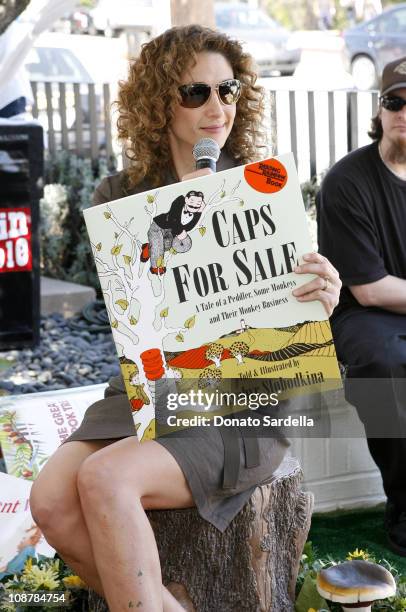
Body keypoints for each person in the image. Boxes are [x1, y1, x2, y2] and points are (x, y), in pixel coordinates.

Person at [30, 25, 341, 611]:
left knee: (105, 479)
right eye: (194, 93)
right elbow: (135, 316)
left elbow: (288, 314)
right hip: (154, 387)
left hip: (245, 397)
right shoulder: (121, 195)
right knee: (50, 498)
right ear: (158, 104)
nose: (216, 107)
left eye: (227, 90)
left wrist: (323, 294)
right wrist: (185, 225)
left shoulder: (260, 185)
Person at [317, 56, 406, 556]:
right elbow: (369, 289)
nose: (404, 112)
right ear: (380, 109)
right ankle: (403, 502)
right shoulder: (347, 180)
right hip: (364, 313)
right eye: (395, 101)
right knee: (384, 366)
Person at [141, 189, 206, 274]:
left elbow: (189, 227)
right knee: (157, 246)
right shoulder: (179, 202)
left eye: (198, 204)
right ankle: (156, 268)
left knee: (168, 245)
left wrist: (200, 211)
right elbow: (172, 218)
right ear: (186, 199)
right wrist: (181, 233)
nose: (194, 206)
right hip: (159, 226)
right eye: (192, 202)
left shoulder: (195, 214)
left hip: (171, 232)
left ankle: (147, 249)